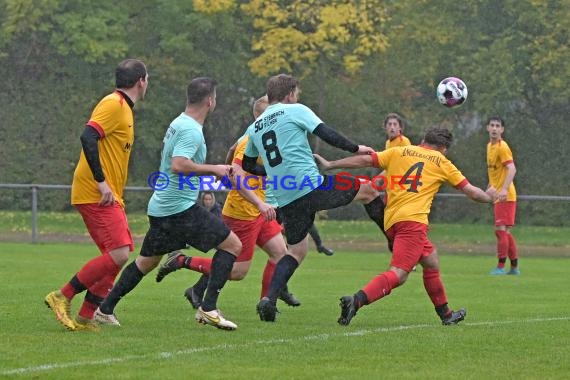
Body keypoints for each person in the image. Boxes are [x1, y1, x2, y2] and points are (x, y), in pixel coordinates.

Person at [94, 77, 242, 331]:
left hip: (162, 208)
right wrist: (214, 170)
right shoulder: (191, 130)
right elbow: (179, 164)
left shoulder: (178, 122)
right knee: (232, 245)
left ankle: (105, 309)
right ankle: (208, 308)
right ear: (210, 100)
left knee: (146, 262)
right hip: (179, 209)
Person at [241, 74, 387, 322]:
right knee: (370, 190)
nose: (296, 97)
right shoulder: (294, 110)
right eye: (296, 93)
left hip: (286, 196)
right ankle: (394, 240)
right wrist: (356, 148)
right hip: (310, 186)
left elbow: (248, 164)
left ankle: (269, 299)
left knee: (296, 251)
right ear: (289, 95)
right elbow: (325, 133)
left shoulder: (254, 127)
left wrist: (275, 171)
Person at [314, 127, 495, 326]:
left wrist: (331, 164)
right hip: (413, 223)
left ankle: (446, 314)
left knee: (431, 261)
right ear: (443, 149)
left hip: (392, 219)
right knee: (399, 274)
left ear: (423, 140)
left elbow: (366, 159)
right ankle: (356, 301)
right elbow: (472, 192)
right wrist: (491, 197)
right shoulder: (442, 162)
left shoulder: (400, 151)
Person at [155, 95, 302, 309]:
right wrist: (229, 175)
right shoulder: (251, 140)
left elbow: (232, 149)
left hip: (261, 209)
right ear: (264, 117)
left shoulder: (262, 136)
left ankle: (266, 303)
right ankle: (181, 261)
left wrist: (225, 170)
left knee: (281, 254)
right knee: (236, 271)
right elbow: (238, 166)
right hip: (243, 212)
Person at [44, 59, 149, 332]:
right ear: (141, 81)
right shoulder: (113, 104)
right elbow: (87, 136)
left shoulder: (124, 108)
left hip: (109, 194)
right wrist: (102, 183)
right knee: (119, 252)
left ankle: (86, 315)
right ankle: (62, 295)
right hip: (96, 192)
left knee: (116, 252)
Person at [486, 116, 519, 275]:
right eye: (492, 125)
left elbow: (512, 169)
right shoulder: (489, 146)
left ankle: (500, 267)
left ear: (502, 130)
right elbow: (494, 171)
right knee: (504, 232)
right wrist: (490, 186)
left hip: (506, 195)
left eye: (497, 126)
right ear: (487, 128)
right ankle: (514, 267)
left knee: (500, 230)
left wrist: (504, 189)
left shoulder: (502, 147)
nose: (494, 128)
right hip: (498, 194)